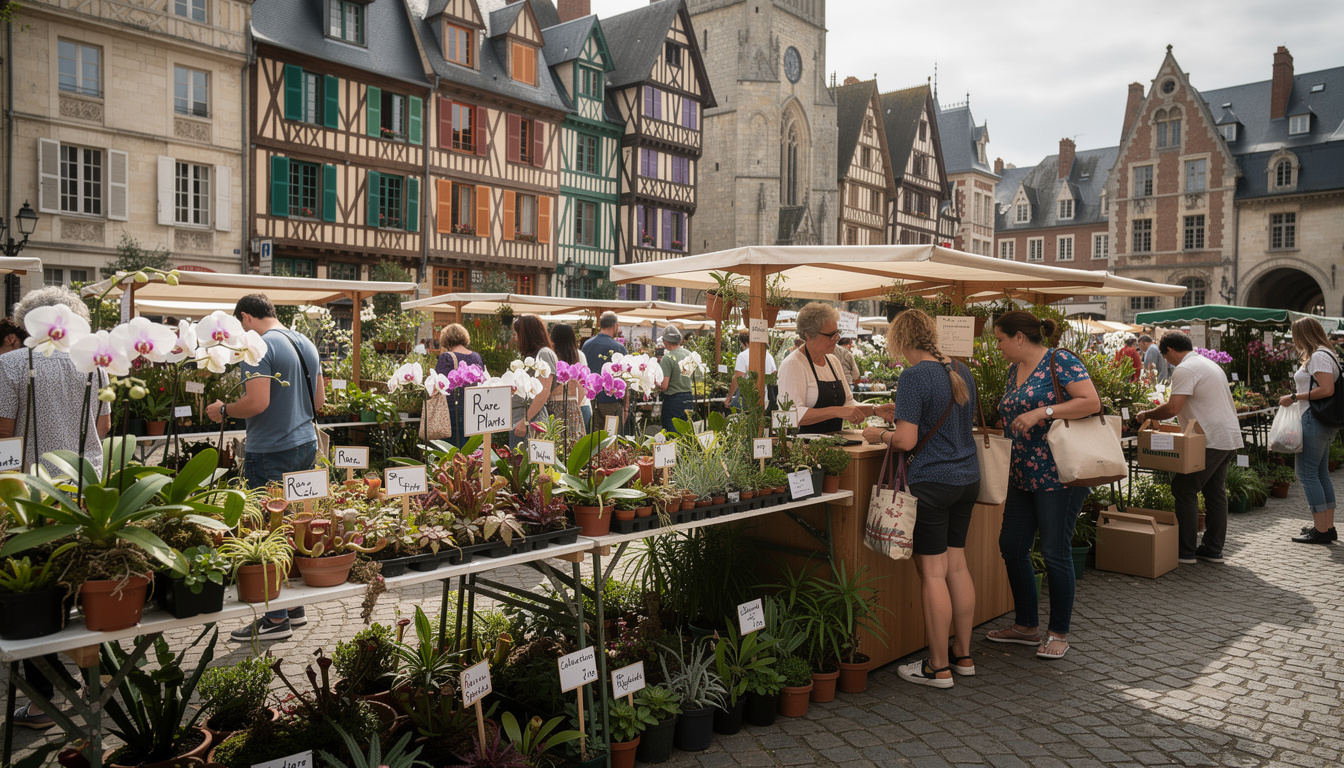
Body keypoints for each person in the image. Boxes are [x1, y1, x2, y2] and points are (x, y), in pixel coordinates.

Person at [0, 287, 109, 729]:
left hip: (33, 492)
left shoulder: (9, 364)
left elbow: (5, 434)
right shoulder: (91, 362)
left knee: (36, 590)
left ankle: (44, 700)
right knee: (87, 582)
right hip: (88, 485)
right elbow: (102, 424)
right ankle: (96, 682)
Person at [862, 309, 980, 688]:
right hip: (966, 478)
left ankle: (938, 667)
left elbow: (907, 441)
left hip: (931, 483)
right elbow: (951, 418)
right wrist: (900, 414)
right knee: (957, 568)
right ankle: (963, 657)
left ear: (900, 341)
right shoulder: (960, 370)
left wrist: (877, 434)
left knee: (933, 574)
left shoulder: (913, 376)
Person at [207, 293, 324, 641]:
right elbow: (319, 401)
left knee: (267, 530)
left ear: (245, 318)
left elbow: (257, 402)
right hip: (306, 444)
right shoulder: (303, 341)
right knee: (291, 524)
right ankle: (292, 605)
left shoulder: (255, 343)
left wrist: (224, 409)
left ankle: (274, 619)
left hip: (272, 449)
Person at [987, 310, 1101, 660]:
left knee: (1055, 551)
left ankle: (1058, 633)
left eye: (1000, 339)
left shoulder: (1059, 360)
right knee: (1012, 545)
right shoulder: (1013, 371)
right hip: (1022, 474)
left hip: (1060, 475)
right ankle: (1025, 626)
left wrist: (1043, 412)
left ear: (1019, 338)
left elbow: (1091, 402)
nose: (998, 346)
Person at [1135, 331, 1243, 564]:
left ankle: (1185, 551)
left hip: (1210, 439)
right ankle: (1213, 549)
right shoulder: (1207, 363)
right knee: (1215, 492)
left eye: (1166, 357)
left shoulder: (1185, 368)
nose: (1167, 362)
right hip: (1227, 437)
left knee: (1183, 489)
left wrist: (1146, 414)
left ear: (1171, 351)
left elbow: (1173, 408)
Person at [1281, 318, 1339, 544]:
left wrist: (1295, 397)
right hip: (1319, 419)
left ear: (1304, 335)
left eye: (1295, 335)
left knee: (1307, 473)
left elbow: (1326, 389)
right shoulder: (1325, 354)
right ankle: (1327, 526)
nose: (1294, 340)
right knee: (1320, 473)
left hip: (1313, 419)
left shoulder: (1319, 356)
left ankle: (1321, 530)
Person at [776, 302, 871, 433]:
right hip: (804, 447)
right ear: (808, 335)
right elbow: (790, 415)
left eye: (837, 333)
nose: (837, 338)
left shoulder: (833, 361)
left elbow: (848, 403)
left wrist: (876, 409)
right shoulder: (794, 364)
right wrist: (837, 411)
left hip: (834, 443)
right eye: (830, 335)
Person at [435, 322, 485, 448]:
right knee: (471, 449)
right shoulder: (476, 357)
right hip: (474, 408)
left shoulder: (446, 357)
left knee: (452, 450)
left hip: (452, 410)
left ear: (445, 339)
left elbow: (438, 384)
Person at [508, 314, 556, 449]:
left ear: (527, 334)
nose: (515, 338)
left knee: (530, 466)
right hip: (521, 420)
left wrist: (526, 421)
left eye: (517, 334)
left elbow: (543, 392)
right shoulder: (534, 355)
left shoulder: (544, 354)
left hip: (531, 421)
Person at [582, 312, 627, 431]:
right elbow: (625, 378)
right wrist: (626, 408)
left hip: (590, 400)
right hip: (611, 402)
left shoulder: (586, 345)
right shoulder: (618, 348)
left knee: (592, 439)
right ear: (615, 326)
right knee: (611, 438)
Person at [548, 324, 587, 441]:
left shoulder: (550, 355)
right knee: (572, 445)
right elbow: (583, 386)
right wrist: (575, 405)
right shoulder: (578, 355)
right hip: (572, 404)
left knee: (554, 443)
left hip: (552, 404)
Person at [723, 328, 777, 410]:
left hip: (748, 397)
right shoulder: (768, 355)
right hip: (765, 396)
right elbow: (774, 373)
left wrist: (729, 397)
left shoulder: (743, 356)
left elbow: (738, 377)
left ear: (743, 343)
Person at [657, 326, 694, 432]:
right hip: (688, 398)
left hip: (673, 400)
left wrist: (655, 385)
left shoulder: (667, 358)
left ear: (666, 341)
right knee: (686, 433)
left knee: (672, 433)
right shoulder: (689, 354)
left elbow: (664, 386)